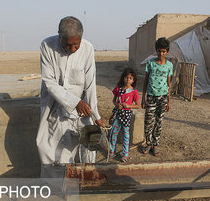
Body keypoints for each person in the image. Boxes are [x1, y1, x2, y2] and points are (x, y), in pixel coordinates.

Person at [36, 16, 104, 169]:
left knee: (87, 147)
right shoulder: (47, 46)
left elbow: (90, 83)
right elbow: (49, 82)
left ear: (81, 37)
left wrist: (97, 115)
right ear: (60, 36)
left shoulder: (87, 49)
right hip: (55, 108)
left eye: (76, 45)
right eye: (68, 45)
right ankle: (59, 186)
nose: (72, 49)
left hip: (82, 109)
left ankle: (84, 182)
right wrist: (75, 102)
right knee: (53, 151)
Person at [140, 37, 173, 156]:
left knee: (159, 122)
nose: (161, 53)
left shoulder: (169, 65)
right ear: (156, 51)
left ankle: (155, 144)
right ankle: (148, 143)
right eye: (159, 51)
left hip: (163, 97)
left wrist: (169, 101)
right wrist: (143, 97)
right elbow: (146, 80)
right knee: (149, 121)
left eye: (164, 51)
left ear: (167, 52)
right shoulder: (150, 63)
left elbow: (169, 83)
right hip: (151, 96)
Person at [109, 68, 139, 162]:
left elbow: (137, 105)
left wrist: (128, 105)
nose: (128, 79)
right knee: (113, 132)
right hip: (117, 114)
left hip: (126, 115)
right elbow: (114, 100)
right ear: (123, 78)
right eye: (126, 77)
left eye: (130, 78)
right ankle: (112, 151)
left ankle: (125, 154)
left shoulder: (134, 92)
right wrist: (116, 104)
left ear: (133, 80)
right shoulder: (118, 88)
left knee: (125, 134)